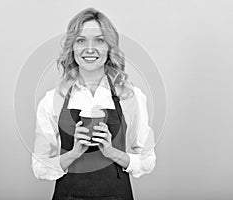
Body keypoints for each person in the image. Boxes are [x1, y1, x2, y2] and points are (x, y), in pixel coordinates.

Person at [32, 8, 156, 200]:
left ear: (109, 47)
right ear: (72, 48)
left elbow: (147, 161)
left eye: (99, 40)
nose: (90, 48)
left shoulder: (130, 97)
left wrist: (112, 152)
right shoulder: (52, 100)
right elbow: (39, 167)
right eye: (81, 40)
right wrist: (73, 153)